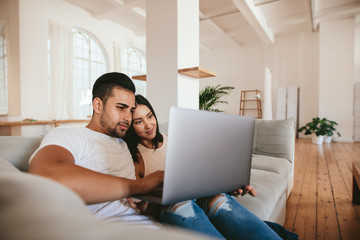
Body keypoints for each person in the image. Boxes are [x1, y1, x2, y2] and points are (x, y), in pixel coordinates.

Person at [124, 94, 299, 240]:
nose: (148, 125)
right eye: (138, 122)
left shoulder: (174, 139)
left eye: (149, 116)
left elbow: (201, 171)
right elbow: (140, 196)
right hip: (172, 204)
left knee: (220, 201)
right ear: (131, 127)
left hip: (202, 195)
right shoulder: (136, 157)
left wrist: (228, 185)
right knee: (181, 205)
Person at [28, 72, 164, 224]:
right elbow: (45, 174)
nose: (128, 117)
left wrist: (143, 204)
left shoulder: (123, 144)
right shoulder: (70, 135)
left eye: (131, 110)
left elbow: (127, 199)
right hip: (113, 229)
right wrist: (140, 186)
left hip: (147, 223)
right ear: (98, 105)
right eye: (121, 108)